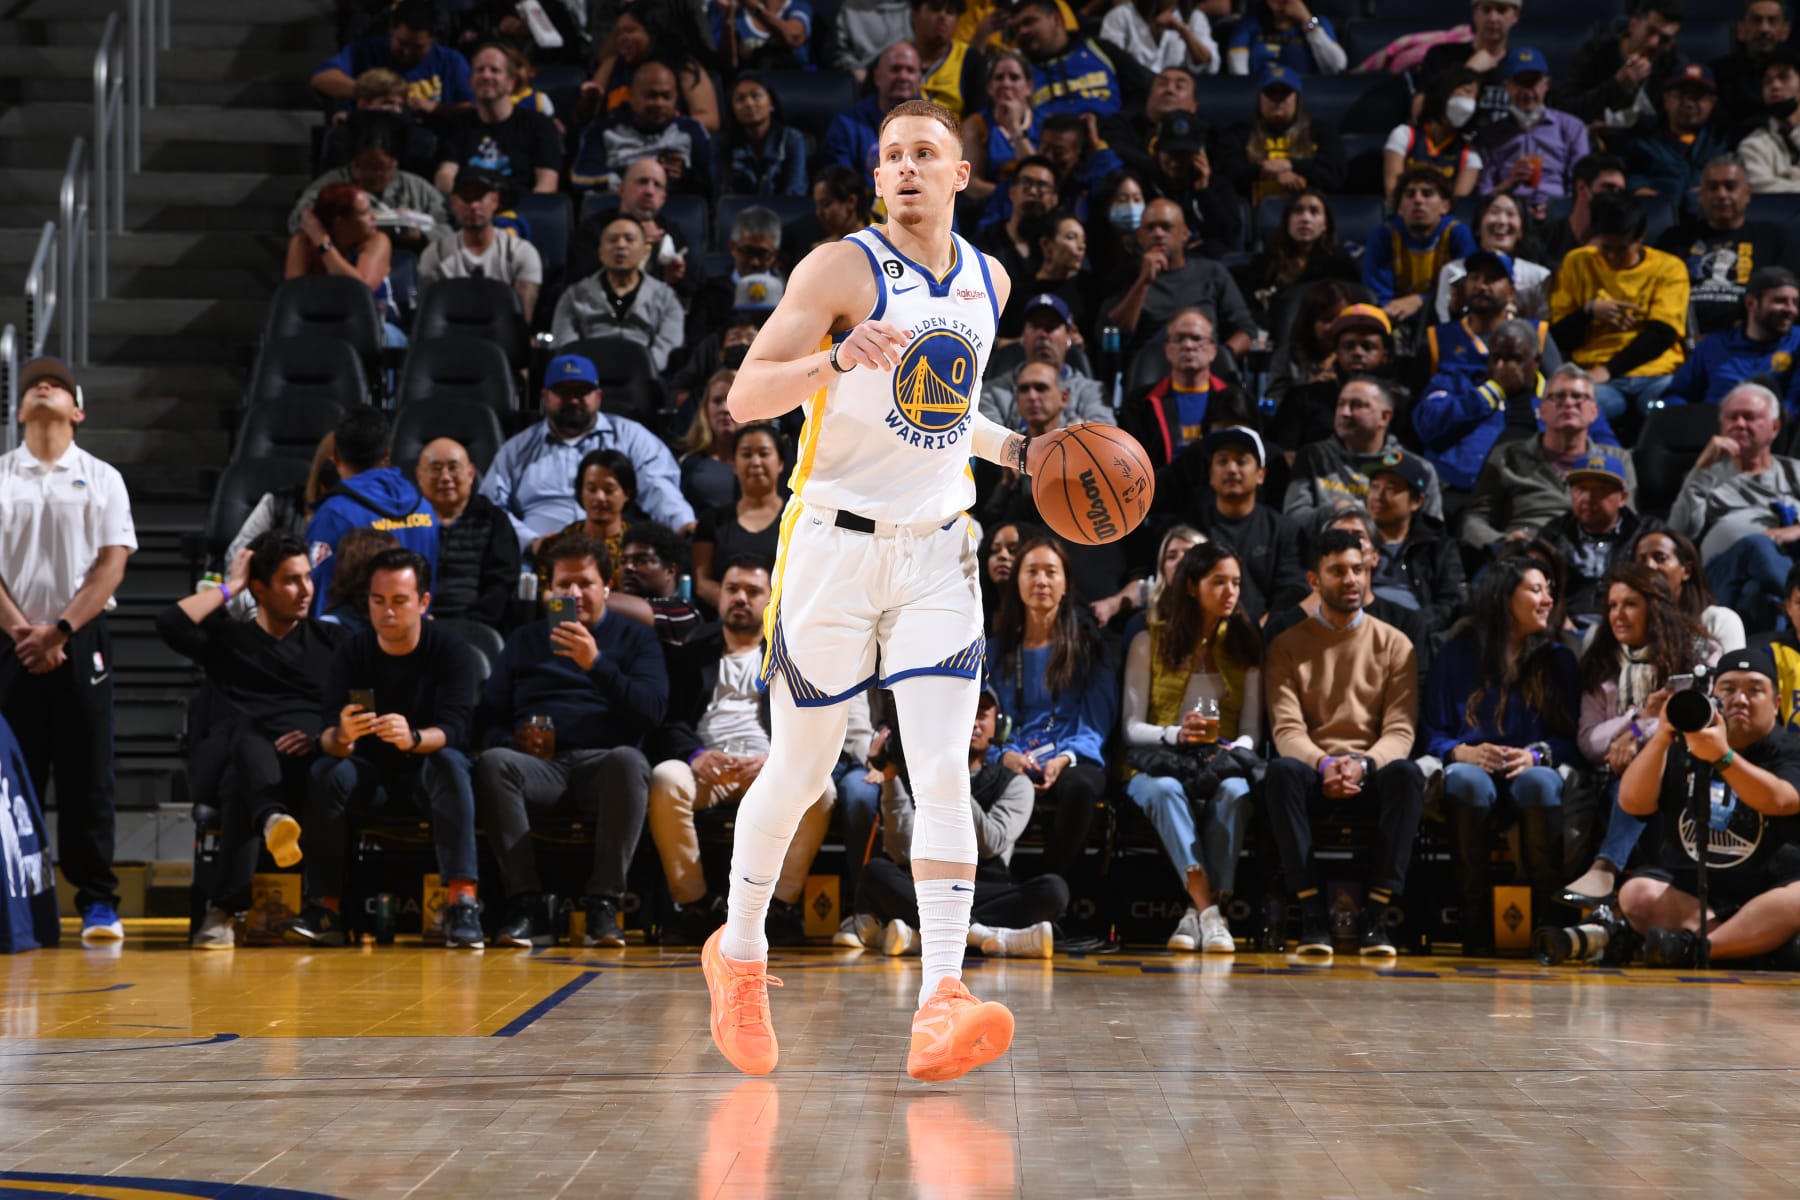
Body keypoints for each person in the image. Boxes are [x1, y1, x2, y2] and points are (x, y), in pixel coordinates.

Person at [703, 97, 1044, 1082]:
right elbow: (745, 398)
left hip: (939, 546)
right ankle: (741, 952)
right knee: (805, 771)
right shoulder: (838, 269)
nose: (901, 168)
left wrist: (1013, 447)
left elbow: (940, 412)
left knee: (940, 769)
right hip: (833, 548)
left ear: (960, 174)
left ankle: (943, 996)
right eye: (890, 154)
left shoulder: (990, 278)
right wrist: (832, 358)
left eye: (923, 154)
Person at [650, 557, 861, 946]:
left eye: (752, 591)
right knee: (665, 778)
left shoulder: (791, 651)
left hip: (769, 770)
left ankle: (780, 906)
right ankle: (693, 904)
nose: (741, 598)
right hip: (705, 768)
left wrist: (775, 761)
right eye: (732, 589)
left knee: (822, 791)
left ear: (771, 599)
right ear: (720, 596)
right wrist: (696, 757)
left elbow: (814, 723)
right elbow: (669, 721)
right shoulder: (692, 649)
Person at [474, 536, 667, 948]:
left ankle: (603, 904)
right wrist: (511, 738)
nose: (574, 594)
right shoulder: (525, 639)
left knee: (629, 761)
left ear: (607, 586)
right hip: (542, 766)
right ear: (550, 590)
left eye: (584, 583)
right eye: (564, 585)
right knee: (493, 761)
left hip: (604, 767)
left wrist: (596, 664)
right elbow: (486, 717)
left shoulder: (636, 639)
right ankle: (525, 904)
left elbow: (652, 711)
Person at [285, 549, 483, 949]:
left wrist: (412, 737)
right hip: (369, 772)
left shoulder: (451, 650)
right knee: (326, 771)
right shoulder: (352, 652)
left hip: (428, 771)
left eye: (398, 601)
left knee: (448, 762)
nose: (387, 612)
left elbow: (457, 729)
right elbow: (326, 736)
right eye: (378, 601)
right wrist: (342, 735)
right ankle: (324, 907)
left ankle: (463, 904)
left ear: (423, 603)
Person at [0, 358, 134, 943]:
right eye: (33, 385)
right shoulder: (1, 474)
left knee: (87, 777)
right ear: (19, 410)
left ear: (77, 411)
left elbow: (112, 564)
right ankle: (15, 898)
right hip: (11, 641)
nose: (42, 386)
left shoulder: (102, 477)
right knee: (10, 778)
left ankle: (98, 902)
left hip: (79, 640)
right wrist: (24, 632)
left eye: (54, 383)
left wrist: (59, 629)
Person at [166, 536, 345, 949]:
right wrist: (232, 586)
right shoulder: (228, 641)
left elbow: (352, 707)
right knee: (246, 737)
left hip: (304, 763)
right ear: (260, 589)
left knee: (241, 779)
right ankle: (269, 819)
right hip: (235, 755)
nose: (305, 591)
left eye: (307, 578)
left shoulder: (330, 642)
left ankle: (224, 911)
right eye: (290, 581)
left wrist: (319, 739)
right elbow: (170, 623)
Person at [1263, 530, 1423, 957]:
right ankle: (1311, 913)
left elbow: (1400, 731)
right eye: (1337, 571)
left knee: (1407, 775)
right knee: (1279, 773)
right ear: (1315, 581)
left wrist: (1363, 765)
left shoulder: (1395, 644)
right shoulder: (1286, 645)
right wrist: (1324, 765)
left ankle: (1376, 914)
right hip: (1315, 770)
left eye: (1358, 569)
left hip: (1370, 771)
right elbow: (1286, 731)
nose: (1351, 579)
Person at [1423, 556, 1579, 953]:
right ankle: (1472, 915)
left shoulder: (1557, 658)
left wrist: (1537, 756)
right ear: (1502, 597)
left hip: (1530, 769)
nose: (1547, 599)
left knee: (1541, 783)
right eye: (1535, 589)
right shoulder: (1455, 654)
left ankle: (1547, 914)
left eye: (1549, 590)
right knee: (1467, 781)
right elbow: (1431, 733)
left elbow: (1573, 738)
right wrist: (1460, 751)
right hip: (1474, 769)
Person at [1615, 648, 1800, 968]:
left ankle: (1695, 949)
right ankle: (1745, 943)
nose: (1740, 699)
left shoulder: (1790, 748)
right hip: (1693, 896)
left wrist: (1723, 757)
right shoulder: (1688, 739)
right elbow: (1633, 802)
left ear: (1777, 704)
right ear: (1712, 698)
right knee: (1636, 894)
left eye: (1755, 690)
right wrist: (1661, 736)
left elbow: (1781, 800)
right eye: (1728, 689)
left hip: (1769, 890)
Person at [1121, 541, 1260, 953]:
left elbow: (1252, 730)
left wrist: (1227, 745)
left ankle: (1194, 915)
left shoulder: (1244, 645)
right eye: (1218, 582)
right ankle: (1209, 909)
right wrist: (1175, 735)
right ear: (1191, 587)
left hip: (1219, 761)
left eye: (1235, 582)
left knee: (1236, 791)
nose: (1230, 592)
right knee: (1165, 790)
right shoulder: (1150, 641)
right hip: (1158, 762)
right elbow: (1131, 728)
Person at [865, 690, 1068, 958]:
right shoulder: (916, 776)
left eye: (982, 714)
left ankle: (923, 937)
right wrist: (891, 780)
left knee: (1054, 891)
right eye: (966, 712)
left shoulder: (1016, 784)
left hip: (985, 888)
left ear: (1000, 724)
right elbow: (902, 850)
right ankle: (986, 936)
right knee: (876, 873)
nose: (973, 722)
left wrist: (952, 777)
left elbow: (989, 844)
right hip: (928, 886)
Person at [1563, 562, 1720, 906]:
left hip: (1684, 772)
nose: (1618, 615)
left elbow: (1694, 719)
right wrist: (1636, 719)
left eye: (1630, 604)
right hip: (1608, 777)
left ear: (1656, 607)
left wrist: (1637, 735)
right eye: (1612, 606)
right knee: (1631, 785)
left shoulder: (1698, 654)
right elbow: (1590, 743)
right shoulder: (1600, 662)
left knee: (1646, 779)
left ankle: (1606, 869)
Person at [988, 536, 1117, 873]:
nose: (1041, 581)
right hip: (1010, 756)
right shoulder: (994, 651)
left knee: (1080, 787)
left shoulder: (1089, 648)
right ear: (1017, 582)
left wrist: (1064, 758)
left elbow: (1096, 722)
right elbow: (982, 721)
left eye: (1050, 572)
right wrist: (1005, 755)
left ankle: (1051, 882)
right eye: (1031, 571)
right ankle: (990, 887)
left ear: (1065, 584)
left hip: (1070, 756)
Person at [482, 354, 695, 549]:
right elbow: (490, 508)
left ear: (598, 396)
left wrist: (682, 522)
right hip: (539, 555)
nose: (573, 400)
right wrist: (529, 541)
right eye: (563, 392)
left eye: (581, 392)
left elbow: (658, 486)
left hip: (616, 550)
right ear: (545, 397)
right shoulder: (518, 448)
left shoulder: (632, 437)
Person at [1461, 365, 1636, 557]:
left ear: (1594, 412)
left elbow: (1629, 520)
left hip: (1596, 555)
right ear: (1541, 410)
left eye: (1578, 397)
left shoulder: (1616, 459)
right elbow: (1475, 517)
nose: (1568, 403)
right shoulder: (1507, 455)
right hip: (1525, 555)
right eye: (1558, 397)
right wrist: (1500, 542)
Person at [1669, 382, 1800, 633]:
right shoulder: (1706, 477)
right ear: (1721, 427)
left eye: (1749, 417)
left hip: (1771, 579)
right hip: (1718, 580)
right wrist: (1701, 469)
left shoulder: (1793, 472)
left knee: (1756, 594)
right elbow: (1677, 534)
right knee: (1756, 545)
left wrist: (1793, 532)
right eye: (1732, 418)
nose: (1739, 424)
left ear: (1774, 428)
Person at [1547, 190, 1690, 419]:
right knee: (1592, 410)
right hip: (1595, 375)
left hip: (1655, 373)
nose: (1612, 257)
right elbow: (1559, 336)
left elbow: (1662, 334)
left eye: (1621, 249)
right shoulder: (1577, 262)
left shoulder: (1669, 267)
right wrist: (1589, 311)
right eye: (1606, 248)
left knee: (1660, 410)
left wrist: (1608, 370)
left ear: (1641, 236)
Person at [304, 409, 439, 617]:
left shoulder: (334, 513)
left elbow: (319, 595)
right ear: (386, 454)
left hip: (353, 643)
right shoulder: (424, 508)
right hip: (413, 637)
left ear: (336, 456)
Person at [1653, 157, 1793, 339]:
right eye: (1712, 188)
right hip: (1682, 339)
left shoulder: (1774, 237)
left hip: (1751, 339)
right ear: (1701, 196)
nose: (1721, 194)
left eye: (1730, 186)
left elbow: (1788, 295)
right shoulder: (1673, 239)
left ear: (1747, 194)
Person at [1283, 376, 1444, 534]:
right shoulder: (1314, 456)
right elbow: (1293, 520)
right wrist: (1337, 510)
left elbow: (1431, 532)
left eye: (1357, 405)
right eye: (1340, 404)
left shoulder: (1416, 468)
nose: (1345, 412)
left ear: (1385, 417)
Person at [1102, 198, 1255, 358]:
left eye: (1166, 227)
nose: (1158, 234)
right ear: (1140, 237)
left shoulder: (1212, 273)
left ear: (1184, 234)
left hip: (1204, 370)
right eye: (1150, 228)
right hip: (1148, 373)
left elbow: (1246, 331)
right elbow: (1113, 335)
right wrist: (1143, 282)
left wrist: (1221, 359)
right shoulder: (1125, 276)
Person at [1185, 427, 1306, 623]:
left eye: (1241, 461)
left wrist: (1263, 628)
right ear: (1211, 475)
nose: (1231, 469)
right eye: (1222, 461)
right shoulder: (1192, 527)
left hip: (1266, 635)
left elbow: (1293, 588)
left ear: (1261, 475)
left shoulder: (1284, 530)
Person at [550, 216, 684, 372]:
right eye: (613, 240)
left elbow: (669, 346)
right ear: (600, 252)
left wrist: (642, 369)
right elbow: (565, 343)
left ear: (644, 252)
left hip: (644, 378)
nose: (621, 245)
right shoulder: (574, 295)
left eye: (629, 239)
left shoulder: (666, 297)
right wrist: (585, 371)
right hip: (587, 379)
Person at [289, 114, 449, 240]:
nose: (372, 175)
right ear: (353, 163)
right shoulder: (330, 184)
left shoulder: (418, 187)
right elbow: (297, 221)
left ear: (394, 164)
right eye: (364, 167)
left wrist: (420, 237)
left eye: (380, 168)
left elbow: (447, 230)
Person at [1363, 450, 1468, 642]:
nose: (1378, 496)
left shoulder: (1438, 547)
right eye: (1374, 486)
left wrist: (1411, 623)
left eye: (1392, 489)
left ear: (1417, 501)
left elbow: (1453, 602)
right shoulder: (1355, 542)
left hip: (1416, 638)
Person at [433, 42, 562, 196]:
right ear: (470, 81)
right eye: (480, 70)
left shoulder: (539, 125)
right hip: (470, 211)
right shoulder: (457, 125)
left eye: (494, 70)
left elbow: (547, 184)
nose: (486, 76)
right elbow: (445, 174)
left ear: (511, 83)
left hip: (519, 214)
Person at [414, 438, 518, 631]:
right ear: (419, 475)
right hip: (415, 624)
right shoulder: (404, 520)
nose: (445, 477)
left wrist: (470, 622)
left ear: (470, 473)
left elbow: (502, 583)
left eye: (453, 468)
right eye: (435, 468)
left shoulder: (494, 520)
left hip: (476, 627)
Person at [1474, 47, 1590, 217]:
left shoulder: (1572, 127)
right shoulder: (1490, 136)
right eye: (1520, 83)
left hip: (1559, 213)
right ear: (1506, 86)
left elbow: (1581, 185)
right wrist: (1509, 183)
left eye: (1533, 82)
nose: (1527, 92)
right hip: (1508, 213)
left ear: (1546, 84)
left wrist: (1557, 209)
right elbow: (1483, 195)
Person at [283, 183, 403, 346]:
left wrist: (323, 243)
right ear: (340, 222)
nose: (373, 217)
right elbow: (295, 296)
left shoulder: (377, 241)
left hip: (375, 325)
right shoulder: (303, 243)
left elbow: (360, 290)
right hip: (318, 325)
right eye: (364, 213)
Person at [570, 60, 714, 195]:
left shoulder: (692, 130)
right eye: (651, 96)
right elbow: (579, 178)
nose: (659, 103)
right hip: (616, 212)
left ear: (675, 98)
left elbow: (715, 183)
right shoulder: (603, 130)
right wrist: (634, 174)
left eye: (666, 96)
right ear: (631, 96)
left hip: (676, 211)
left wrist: (687, 176)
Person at [417, 168, 543, 322]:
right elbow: (430, 318)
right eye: (466, 198)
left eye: (480, 197)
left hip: (504, 338)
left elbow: (522, 324)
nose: (474, 206)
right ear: (454, 203)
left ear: (495, 201)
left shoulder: (522, 252)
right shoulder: (435, 253)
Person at [1665, 267, 1800, 410]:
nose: (1791, 310)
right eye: (1780, 301)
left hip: (1775, 427)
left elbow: (1794, 403)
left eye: (1795, 302)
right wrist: (1687, 419)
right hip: (1713, 425)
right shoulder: (1713, 346)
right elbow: (1677, 394)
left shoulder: (1796, 343)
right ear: (1751, 303)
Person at [310, 0, 472, 117]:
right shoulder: (365, 50)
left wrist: (438, 108)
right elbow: (322, 78)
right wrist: (371, 92)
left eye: (418, 47)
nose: (407, 52)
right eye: (402, 43)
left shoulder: (451, 60)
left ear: (432, 40)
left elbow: (473, 106)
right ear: (391, 30)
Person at [1217, 67, 1344, 211]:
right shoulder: (1239, 133)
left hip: (1307, 215)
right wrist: (1271, 173)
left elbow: (1334, 176)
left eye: (1284, 93)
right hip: (1256, 214)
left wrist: (1291, 165)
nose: (1277, 100)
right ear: (1260, 98)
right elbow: (1228, 174)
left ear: (1297, 98)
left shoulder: (1321, 132)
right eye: (1271, 93)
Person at [582, 2, 721, 133]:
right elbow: (584, 118)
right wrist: (589, 102)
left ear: (653, 31)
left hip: (670, 147)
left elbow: (709, 120)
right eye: (619, 33)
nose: (622, 38)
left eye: (630, 31)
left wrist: (659, 127)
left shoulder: (684, 66)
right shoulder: (611, 65)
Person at [692, 424, 786, 611]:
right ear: (734, 464)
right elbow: (702, 583)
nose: (756, 462)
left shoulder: (798, 518)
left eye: (764, 453)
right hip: (728, 623)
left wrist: (765, 610)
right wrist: (741, 606)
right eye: (746, 454)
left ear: (781, 463)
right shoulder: (712, 521)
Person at [1364, 169, 1478, 324]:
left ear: (1445, 206)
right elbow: (1378, 296)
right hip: (1396, 319)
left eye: (1427, 193)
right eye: (1410, 194)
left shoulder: (1458, 234)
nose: (1418, 200)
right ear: (1399, 209)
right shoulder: (1384, 236)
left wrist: (1420, 301)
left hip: (1447, 318)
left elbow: (1465, 290)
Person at [1550, 0, 1684, 132]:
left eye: (1664, 39)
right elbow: (1563, 110)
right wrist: (1616, 85)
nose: (1654, 43)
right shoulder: (1595, 53)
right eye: (1650, 31)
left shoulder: (1671, 63)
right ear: (1633, 25)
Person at [1121, 308, 1231, 468]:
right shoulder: (1139, 405)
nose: (1188, 345)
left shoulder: (1234, 401)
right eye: (1179, 339)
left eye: (1196, 338)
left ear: (1213, 350)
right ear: (1167, 349)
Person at [1234, 188, 1358, 328]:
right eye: (1298, 211)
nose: (1305, 218)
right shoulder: (1268, 260)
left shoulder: (1339, 263)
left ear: (1325, 225)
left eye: (1314, 212)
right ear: (1287, 220)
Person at [1430, 195, 1553, 326]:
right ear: (1478, 227)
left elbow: (1543, 329)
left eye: (1510, 214)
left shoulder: (1540, 276)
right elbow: (1445, 325)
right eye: (1494, 212)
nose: (1502, 221)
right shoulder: (1453, 271)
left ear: (1522, 230)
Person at [1633, 527, 1747, 652]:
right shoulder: (1630, 623)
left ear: (1687, 570)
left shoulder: (1719, 619)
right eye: (1641, 560)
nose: (1649, 566)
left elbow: (1735, 671)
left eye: (1660, 558)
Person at [821, 42, 924, 178]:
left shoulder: (936, 126)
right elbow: (842, 189)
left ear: (919, 80)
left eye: (910, 70)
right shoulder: (845, 127)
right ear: (877, 77)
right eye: (895, 69)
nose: (903, 77)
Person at [1009, 0, 1125, 120]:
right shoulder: (1015, 72)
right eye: (1016, 28)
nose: (1022, 31)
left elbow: (1139, 93)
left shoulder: (1099, 48)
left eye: (1029, 22)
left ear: (1056, 19)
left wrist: (1117, 127)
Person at [1382, 67, 1483, 202]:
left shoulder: (1470, 155)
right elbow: (1393, 192)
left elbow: (1457, 206)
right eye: (1467, 92)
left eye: (1474, 98)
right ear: (1445, 91)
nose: (1469, 103)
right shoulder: (1404, 136)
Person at [1418, 0, 1525, 127]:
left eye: (1501, 10)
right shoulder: (1442, 55)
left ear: (1515, 16)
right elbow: (1419, 113)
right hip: (1453, 144)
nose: (1493, 18)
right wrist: (1468, 71)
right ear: (1475, 13)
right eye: (1486, 9)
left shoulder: (1521, 67)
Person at [961, 51, 1041, 207]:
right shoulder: (976, 124)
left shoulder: (1044, 122)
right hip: (992, 209)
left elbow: (1039, 174)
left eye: (1014, 77)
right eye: (999, 78)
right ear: (990, 87)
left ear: (1029, 87)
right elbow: (971, 184)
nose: (1006, 84)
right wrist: (1014, 195)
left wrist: (1015, 128)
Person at [994, 213, 1091, 338]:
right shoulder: (1018, 291)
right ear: (1046, 244)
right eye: (1071, 237)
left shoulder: (1087, 289)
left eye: (1084, 240)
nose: (1081, 246)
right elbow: (998, 342)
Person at [713, 74, 809, 197]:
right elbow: (721, 197)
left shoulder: (792, 139)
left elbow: (795, 192)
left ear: (771, 104)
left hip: (783, 214)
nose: (749, 104)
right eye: (740, 99)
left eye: (756, 96)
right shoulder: (719, 144)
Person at [612, 522, 705, 647]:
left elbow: (646, 612)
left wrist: (589, 595)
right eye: (623, 561)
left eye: (641, 561)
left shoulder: (685, 612)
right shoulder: (616, 606)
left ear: (670, 570)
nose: (628, 567)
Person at [1713, 0, 1794, 130]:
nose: (1764, 28)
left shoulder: (1797, 72)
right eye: (1756, 20)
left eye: (1772, 21)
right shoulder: (1717, 74)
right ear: (1740, 30)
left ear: (1785, 31)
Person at [1538, 152, 1628, 266]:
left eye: (1620, 192)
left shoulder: (1620, 246)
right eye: (1608, 188)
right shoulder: (1542, 242)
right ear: (1582, 188)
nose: (1615, 197)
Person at [1225, 0, 1348, 77]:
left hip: (1306, 93)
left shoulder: (1317, 21)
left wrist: (1306, 20)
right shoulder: (1249, 25)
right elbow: (1239, 74)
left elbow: (1338, 66)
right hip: (1262, 93)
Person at [678, 369, 742, 514]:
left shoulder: (774, 457)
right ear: (705, 410)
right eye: (717, 401)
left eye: (732, 399)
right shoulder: (690, 463)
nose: (725, 409)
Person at [1102, 0, 1218, 75]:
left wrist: (1183, 31)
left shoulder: (1195, 18)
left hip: (1174, 94)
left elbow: (1206, 62)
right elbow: (1108, 64)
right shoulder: (1120, 16)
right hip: (1132, 91)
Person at [1740, 52, 1800, 192]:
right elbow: (1759, 190)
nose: (1775, 86)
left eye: (1784, 77)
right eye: (1767, 81)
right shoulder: (1753, 144)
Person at [712, 0, 812, 72]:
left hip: (791, 85)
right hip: (749, 85)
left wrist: (754, 7)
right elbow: (728, 65)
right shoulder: (733, 10)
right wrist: (728, 20)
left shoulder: (798, 6)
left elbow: (793, 37)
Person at [832, 0, 914, 76]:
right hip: (866, 79)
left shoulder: (917, 8)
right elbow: (839, 52)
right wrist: (855, 69)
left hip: (913, 76)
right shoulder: (849, 8)